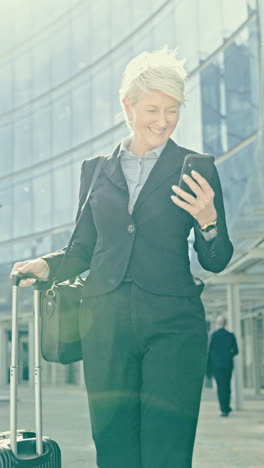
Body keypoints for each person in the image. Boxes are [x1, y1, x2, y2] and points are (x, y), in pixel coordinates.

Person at [11, 48, 233, 468]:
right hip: (106, 325)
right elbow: (82, 249)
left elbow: (217, 258)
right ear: (127, 106)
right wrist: (46, 265)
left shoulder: (196, 167)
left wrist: (208, 221)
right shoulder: (95, 170)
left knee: (167, 451)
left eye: (173, 109)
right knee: (114, 450)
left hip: (173, 324)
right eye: (153, 108)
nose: (163, 120)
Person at [207, 315, 239, 417]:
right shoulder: (230, 335)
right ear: (225, 323)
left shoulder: (212, 335)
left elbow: (209, 351)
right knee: (227, 385)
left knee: (220, 387)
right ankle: (227, 406)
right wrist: (228, 355)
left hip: (216, 365)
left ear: (217, 323)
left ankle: (223, 409)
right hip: (228, 365)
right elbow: (236, 351)